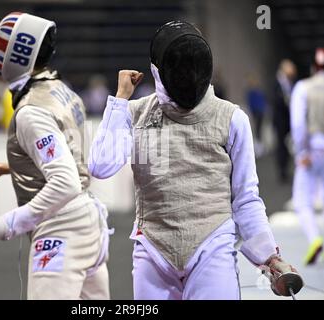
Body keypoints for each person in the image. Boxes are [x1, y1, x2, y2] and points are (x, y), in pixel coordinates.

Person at [89, 21, 300, 300]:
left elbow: (246, 198)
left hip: (211, 246)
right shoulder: (135, 113)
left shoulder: (231, 118)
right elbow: (101, 165)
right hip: (153, 252)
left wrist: (268, 257)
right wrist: (119, 101)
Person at [0, 12, 110, 300]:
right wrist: (11, 167)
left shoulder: (31, 111)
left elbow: (65, 182)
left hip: (61, 227)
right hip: (87, 222)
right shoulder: (61, 90)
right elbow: (67, 158)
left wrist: (6, 224)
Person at [290, 48, 324, 265]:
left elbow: (298, 124)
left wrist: (302, 151)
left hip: (313, 150)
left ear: (313, 67)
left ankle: (315, 239)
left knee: (302, 201)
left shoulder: (303, 87)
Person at [273, 60, 297, 183]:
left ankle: (286, 170)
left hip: (288, 119)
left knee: (288, 146)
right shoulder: (277, 82)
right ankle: (282, 171)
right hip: (280, 120)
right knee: (281, 146)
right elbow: (277, 101)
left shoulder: (290, 82)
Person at [246, 74, 267, 157]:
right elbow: (250, 103)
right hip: (255, 112)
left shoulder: (258, 91)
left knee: (260, 129)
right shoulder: (250, 92)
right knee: (256, 129)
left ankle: (260, 145)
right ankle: (258, 146)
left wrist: (264, 108)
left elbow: (262, 100)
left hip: (260, 111)